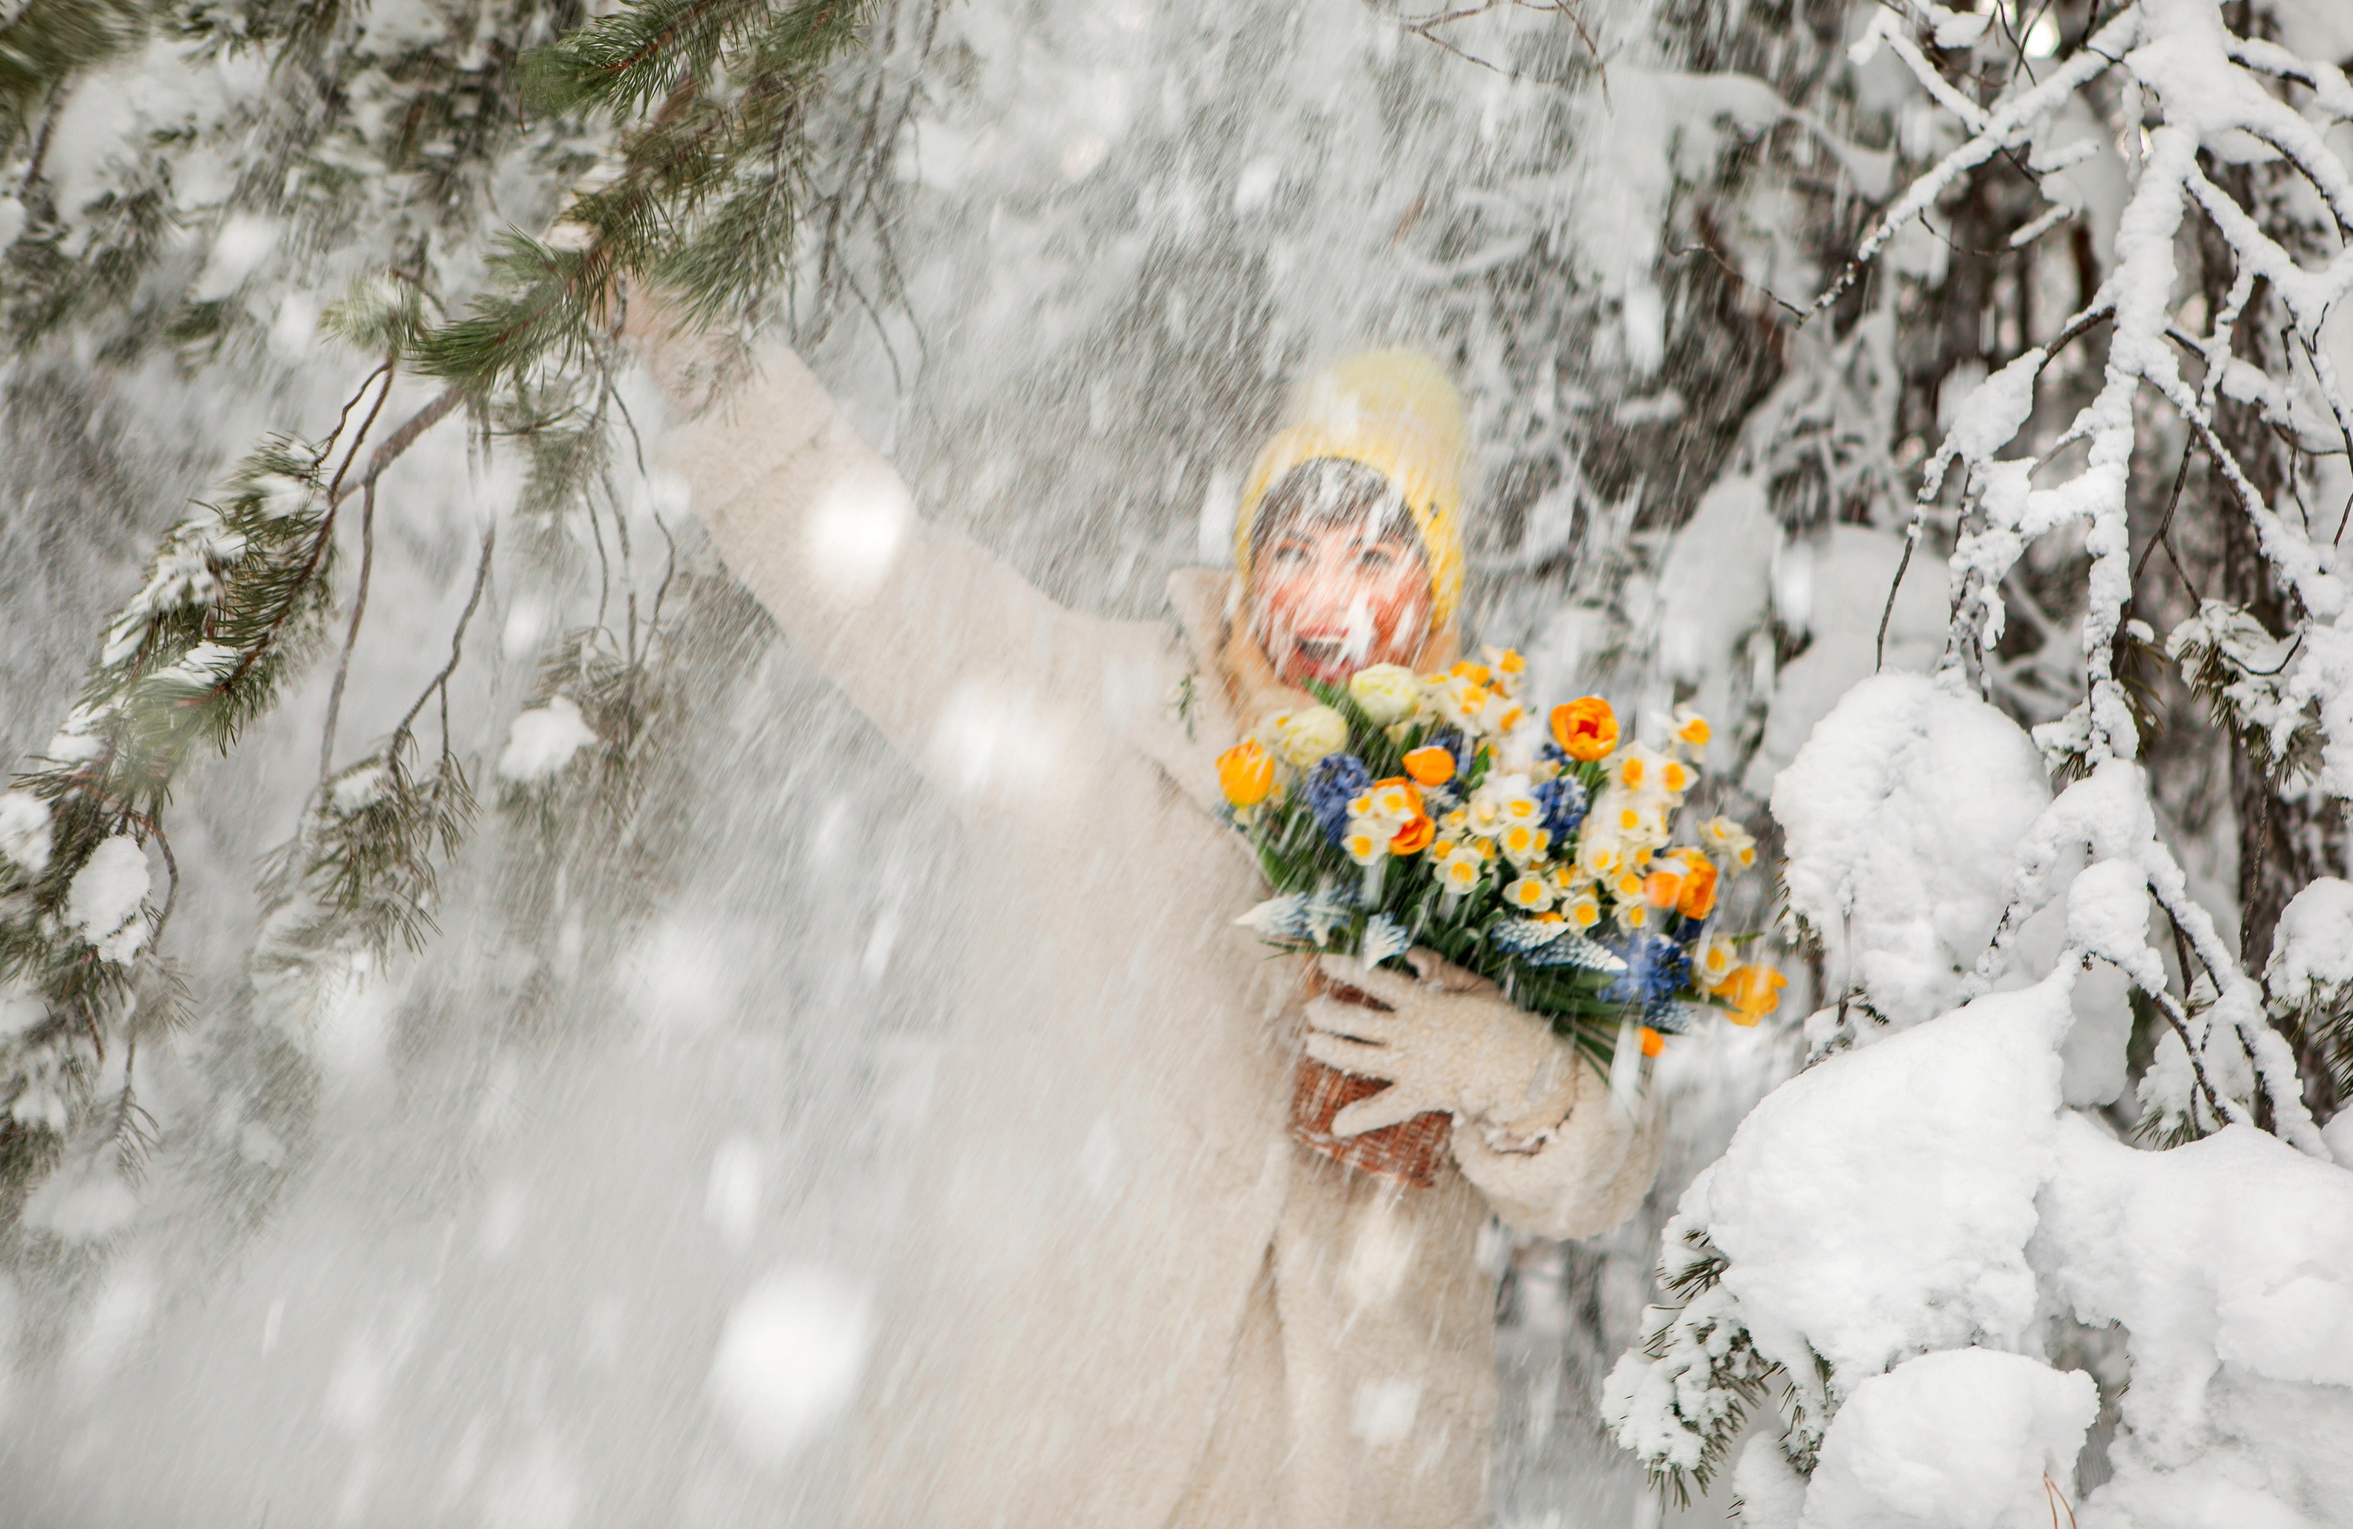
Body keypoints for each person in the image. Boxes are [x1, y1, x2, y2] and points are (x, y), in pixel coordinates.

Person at [628, 299, 1662, 1528]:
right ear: (1249, 553)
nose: (1326, 599)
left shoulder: (1510, 817)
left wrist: (1511, 1070)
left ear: (1438, 581)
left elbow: (1598, 1179)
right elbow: (885, 587)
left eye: (1376, 558)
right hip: (1056, 1444)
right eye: (1296, 546)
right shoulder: (1095, 708)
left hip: (1344, 1475)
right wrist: (713, 366)